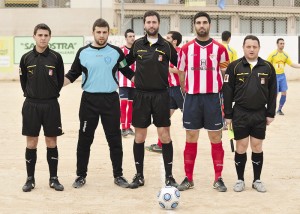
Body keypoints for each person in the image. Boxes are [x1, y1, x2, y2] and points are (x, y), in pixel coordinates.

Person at [64, 18, 135, 189]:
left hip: (110, 100)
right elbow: (72, 74)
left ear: (108, 33)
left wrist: (148, 83)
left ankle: (118, 175)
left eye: (104, 32)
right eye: (98, 32)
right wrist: (52, 85)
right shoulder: (83, 52)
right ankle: (80, 176)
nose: (101, 35)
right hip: (89, 101)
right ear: (93, 32)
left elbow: (128, 72)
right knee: (84, 140)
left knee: (114, 139)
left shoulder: (117, 52)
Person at [125, 10, 179, 189]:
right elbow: (123, 63)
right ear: (144, 24)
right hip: (140, 95)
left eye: (154, 22)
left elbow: (181, 64)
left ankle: (169, 176)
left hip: (161, 95)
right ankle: (139, 175)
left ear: (159, 24)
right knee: (139, 136)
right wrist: (132, 77)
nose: (151, 25)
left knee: (164, 135)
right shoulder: (138, 44)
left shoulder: (166, 45)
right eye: (148, 22)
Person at [177, 12, 229, 192]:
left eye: (204, 22)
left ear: (209, 25)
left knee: (215, 137)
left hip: (213, 98)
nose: (201, 25)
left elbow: (225, 75)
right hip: (192, 98)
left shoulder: (220, 49)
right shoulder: (185, 49)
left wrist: (226, 100)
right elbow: (181, 73)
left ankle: (218, 178)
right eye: (198, 22)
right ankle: (188, 178)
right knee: (191, 136)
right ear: (194, 25)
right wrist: (186, 90)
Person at [223, 35, 277, 193]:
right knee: (241, 146)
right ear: (243, 47)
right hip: (240, 112)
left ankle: (257, 180)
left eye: (254, 46)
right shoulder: (234, 67)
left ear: (259, 48)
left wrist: (270, 112)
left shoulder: (267, 67)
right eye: (248, 46)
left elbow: (273, 91)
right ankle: (240, 180)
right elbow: (227, 92)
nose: (251, 49)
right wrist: (228, 115)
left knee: (257, 146)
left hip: (260, 113)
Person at [19, 23, 65, 192]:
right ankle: (30, 179)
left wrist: (49, 94)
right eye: (40, 35)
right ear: (34, 36)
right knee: (31, 143)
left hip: (51, 104)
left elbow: (59, 81)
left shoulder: (56, 57)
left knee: (51, 142)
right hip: (31, 105)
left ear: (50, 37)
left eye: (46, 35)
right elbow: (23, 83)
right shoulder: (25, 58)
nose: (43, 38)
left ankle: (54, 179)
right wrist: (33, 95)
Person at [145, 30, 184, 153]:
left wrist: (165, 67)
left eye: (167, 38)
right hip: (169, 89)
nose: (164, 39)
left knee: (190, 117)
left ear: (174, 41)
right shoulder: (163, 52)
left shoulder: (180, 52)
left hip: (180, 90)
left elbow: (182, 70)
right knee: (163, 117)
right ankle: (161, 144)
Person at [267, 38, 300, 115]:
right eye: (281, 43)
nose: (282, 45)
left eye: (283, 43)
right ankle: (271, 110)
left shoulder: (285, 55)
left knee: (284, 93)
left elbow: (292, 64)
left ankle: (279, 110)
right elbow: (267, 64)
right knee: (275, 94)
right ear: (277, 44)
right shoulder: (273, 54)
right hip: (274, 76)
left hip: (282, 76)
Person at [119, 29, 136, 137]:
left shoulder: (138, 50)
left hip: (134, 83)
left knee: (131, 105)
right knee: (123, 104)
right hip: (123, 82)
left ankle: (128, 126)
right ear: (126, 38)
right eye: (130, 36)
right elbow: (118, 66)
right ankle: (123, 128)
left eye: (133, 36)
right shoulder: (120, 51)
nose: (132, 38)